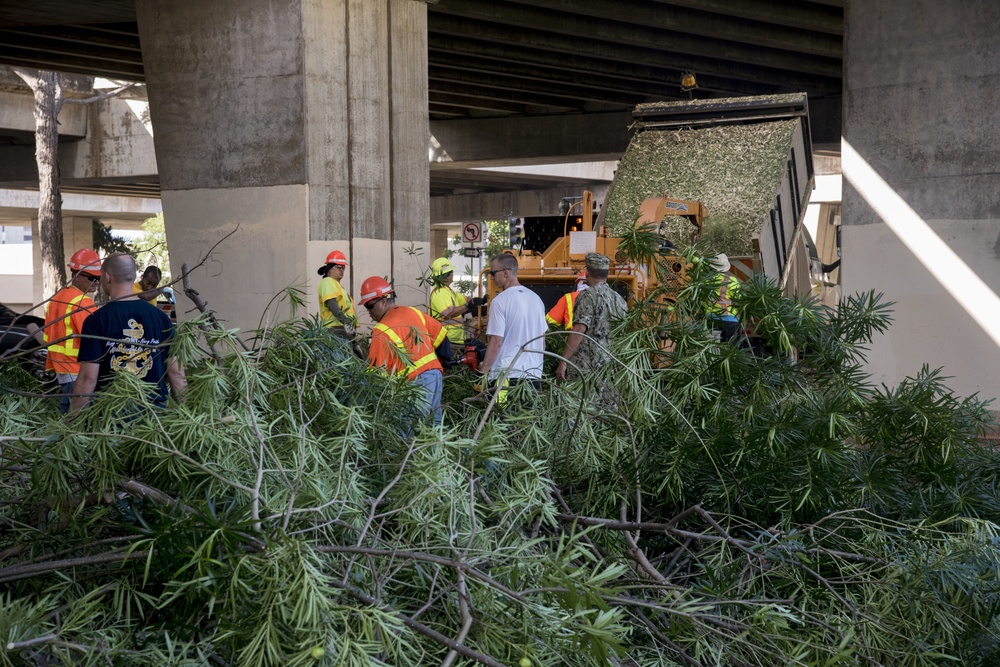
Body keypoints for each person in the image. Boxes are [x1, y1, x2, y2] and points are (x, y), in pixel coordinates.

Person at [72, 253, 186, 411]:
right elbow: (176, 373)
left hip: (110, 419)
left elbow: (87, 379)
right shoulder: (161, 319)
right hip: (153, 420)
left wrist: (72, 422)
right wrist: (189, 418)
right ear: (133, 277)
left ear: (107, 277)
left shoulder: (96, 321)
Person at [360, 276, 451, 425]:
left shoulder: (381, 330)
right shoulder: (412, 312)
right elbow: (441, 334)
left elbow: (377, 374)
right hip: (435, 377)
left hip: (415, 385)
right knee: (433, 430)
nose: (368, 312)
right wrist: (445, 361)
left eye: (369, 306)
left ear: (383, 301)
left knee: (408, 434)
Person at [42, 248, 102, 413]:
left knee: (67, 411)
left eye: (99, 277)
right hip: (79, 370)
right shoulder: (82, 303)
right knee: (79, 418)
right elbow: (94, 340)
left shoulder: (57, 299)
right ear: (76, 274)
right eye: (91, 277)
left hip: (61, 368)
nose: (96, 282)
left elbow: (48, 336)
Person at [556, 253, 628, 383]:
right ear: (606, 275)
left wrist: (564, 361)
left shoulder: (587, 296)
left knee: (584, 402)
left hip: (588, 368)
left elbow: (579, 329)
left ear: (587, 273)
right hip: (611, 368)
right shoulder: (620, 300)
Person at [480, 253, 546, 391]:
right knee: (528, 413)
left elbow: (496, 341)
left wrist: (482, 373)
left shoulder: (500, 301)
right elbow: (542, 341)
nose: (491, 277)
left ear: (505, 273)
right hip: (533, 376)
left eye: (493, 272)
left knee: (502, 412)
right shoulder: (536, 299)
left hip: (506, 376)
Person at [427, 257, 486, 351]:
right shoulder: (440, 293)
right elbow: (449, 313)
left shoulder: (448, 291)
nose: (453, 275)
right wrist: (468, 305)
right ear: (447, 276)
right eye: (452, 273)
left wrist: (481, 300)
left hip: (452, 339)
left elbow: (465, 299)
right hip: (446, 340)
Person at [316, 249, 358, 339]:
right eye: (339, 267)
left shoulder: (338, 287)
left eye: (343, 268)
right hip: (334, 331)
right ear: (329, 269)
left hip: (344, 331)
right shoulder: (327, 281)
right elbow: (331, 303)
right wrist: (346, 321)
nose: (341, 270)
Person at [706, 253, 742, 344]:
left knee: (713, 349)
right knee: (731, 352)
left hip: (711, 321)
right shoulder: (731, 281)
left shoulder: (705, 282)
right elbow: (739, 300)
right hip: (729, 321)